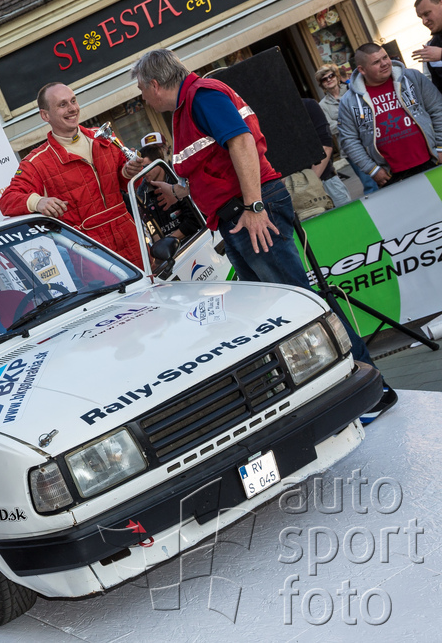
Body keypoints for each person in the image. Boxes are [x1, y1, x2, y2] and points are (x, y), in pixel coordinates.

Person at [131, 48, 396, 421]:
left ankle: (370, 390)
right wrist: (180, 191)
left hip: (249, 212)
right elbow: (216, 164)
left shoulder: (202, 96)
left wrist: (254, 207)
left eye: (141, 90)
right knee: (283, 310)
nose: (142, 98)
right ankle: (344, 390)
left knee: (302, 304)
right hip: (239, 214)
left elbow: (241, 142)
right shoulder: (189, 104)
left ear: (155, 84)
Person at [0, 82, 144, 269]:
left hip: (131, 238)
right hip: (89, 254)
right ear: (45, 115)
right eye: (62, 104)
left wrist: (129, 173)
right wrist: (38, 201)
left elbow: (130, 183)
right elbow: (7, 200)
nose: (72, 108)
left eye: (73, 101)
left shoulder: (103, 137)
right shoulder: (36, 162)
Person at [338, 43, 442, 188]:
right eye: (376, 62)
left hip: (432, 161)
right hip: (392, 176)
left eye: (385, 57)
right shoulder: (349, 101)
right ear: (362, 69)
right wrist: (372, 169)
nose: (384, 63)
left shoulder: (412, 78)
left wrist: (440, 147)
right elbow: (349, 139)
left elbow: (437, 110)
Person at [314, 63, 379, 195]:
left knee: (385, 175)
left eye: (331, 76)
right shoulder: (322, 105)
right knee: (369, 184)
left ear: (337, 76)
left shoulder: (353, 90)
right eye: (324, 79)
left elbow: (368, 111)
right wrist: (352, 121)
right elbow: (330, 128)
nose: (329, 80)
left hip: (372, 140)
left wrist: (342, 122)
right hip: (350, 148)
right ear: (322, 84)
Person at [135, 131, 200, 240]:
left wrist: (168, 242)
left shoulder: (180, 174)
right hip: (171, 247)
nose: (158, 152)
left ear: (166, 148)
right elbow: (149, 226)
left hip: (196, 238)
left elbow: (195, 217)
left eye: (159, 148)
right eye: (151, 149)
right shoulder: (142, 190)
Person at [413, 0, 442, 93]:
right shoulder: (432, 46)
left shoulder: (435, 51)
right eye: (421, 17)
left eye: (427, 14)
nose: (424, 21)